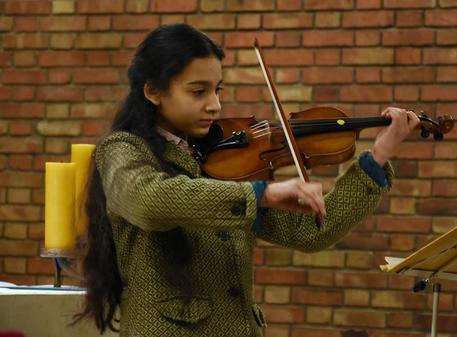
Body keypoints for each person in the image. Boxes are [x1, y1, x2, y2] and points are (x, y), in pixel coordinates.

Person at [74, 24, 419, 337]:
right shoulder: (123, 150)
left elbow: (311, 231)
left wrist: (377, 157)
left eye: (217, 90)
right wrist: (261, 193)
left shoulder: (221, 161)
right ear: (153, 91)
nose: (215, 105)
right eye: (198, 92)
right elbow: (149, 200)